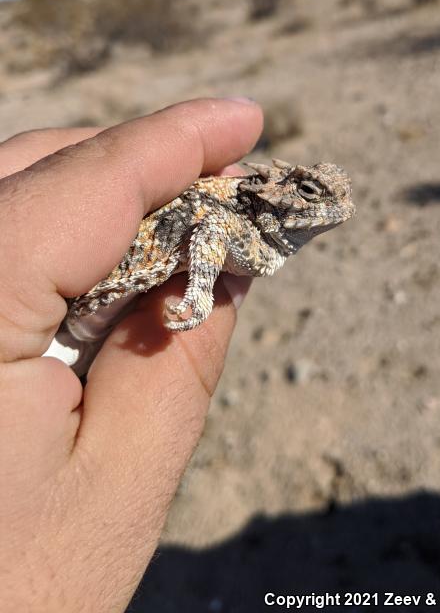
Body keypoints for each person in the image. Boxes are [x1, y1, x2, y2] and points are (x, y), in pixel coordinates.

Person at [0, 97, 263, 611]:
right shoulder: (232, 212)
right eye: (309, 191)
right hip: (71, 322)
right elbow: (210, 230)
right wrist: (200, 288)